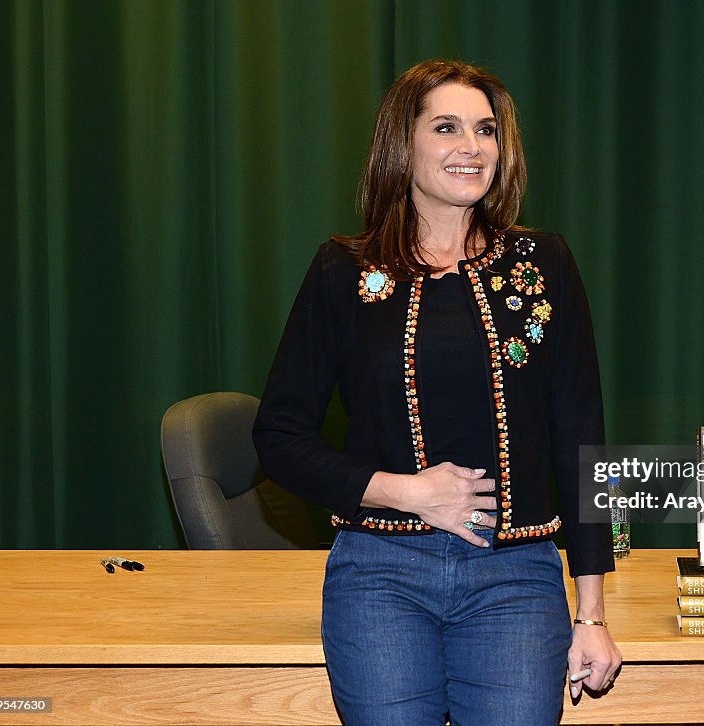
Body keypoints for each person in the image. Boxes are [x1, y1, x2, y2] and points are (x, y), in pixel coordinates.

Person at [253, 59, 621, 725]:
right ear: (404, 143)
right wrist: (406, 491)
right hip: (378, 572)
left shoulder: (545, 264)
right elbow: (278, 437)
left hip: (517, 577)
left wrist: (591, 613)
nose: (471, 147)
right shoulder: (344, 270)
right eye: (446, 127)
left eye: (486, 130)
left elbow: (584, 438)